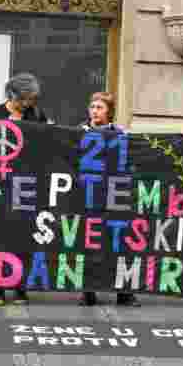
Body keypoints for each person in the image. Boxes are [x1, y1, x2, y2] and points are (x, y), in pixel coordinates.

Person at [0, 72, 49, 306]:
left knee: (24, 237)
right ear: (13, 95)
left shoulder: (37, 115)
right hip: (1, 184)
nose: (30, 104)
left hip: (27, 185)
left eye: (33, 99)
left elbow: (46, 145)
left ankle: (20, 286)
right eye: (26, 99)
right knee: (1, 238)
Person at [77, 92, 140, 308]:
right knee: (89, 244)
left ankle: (124, 292)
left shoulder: (120, 135)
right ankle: (88, 291)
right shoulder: (78, 133)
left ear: (109, 112)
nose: (95, 111)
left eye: (100, 107)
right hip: (87, 198)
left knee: (118, 245)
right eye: (92, 107)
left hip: (114, 199)